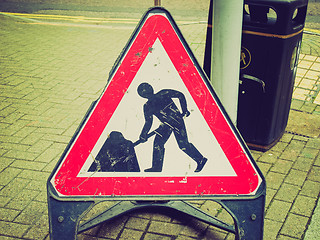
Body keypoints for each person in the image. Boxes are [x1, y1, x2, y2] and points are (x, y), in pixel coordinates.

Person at [137, 82, 207, 172]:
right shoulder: (147, 106)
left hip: (177, 120)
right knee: (158, 144)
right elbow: (148, 122)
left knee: (183, 145)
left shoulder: (163, 93)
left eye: (147, 89)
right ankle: (156, 167)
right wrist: (143, 134)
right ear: (142, 95)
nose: (147, 93)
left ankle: (200, 159)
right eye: (144, 92)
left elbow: (180, 95)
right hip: (165, 125)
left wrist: (184, 110)